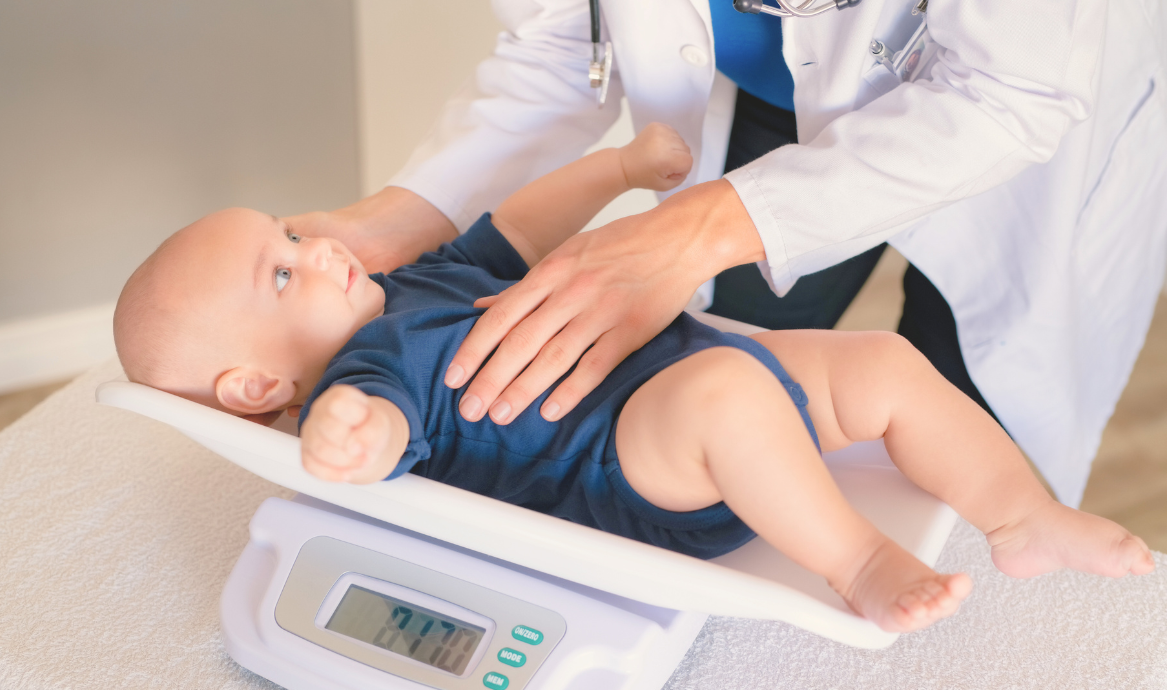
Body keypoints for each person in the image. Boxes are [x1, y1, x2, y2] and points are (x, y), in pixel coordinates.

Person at [113, 124, 1153, 635]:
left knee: (884, 360)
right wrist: (346, 429)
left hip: (682, 366)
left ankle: (1020, 513)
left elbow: (514, 229)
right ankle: (858, 562)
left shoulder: (410, 283)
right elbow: (379, 432)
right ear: (255, 388)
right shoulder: (369, 365)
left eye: (291, 229)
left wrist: (614, 171)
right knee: (729, 401)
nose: (319, 245)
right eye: (283, 270)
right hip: (631, 467)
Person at [286, 0, 1167, 510]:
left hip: (1024, 130)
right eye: (275, 262)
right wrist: (400, 216)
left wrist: (693, 223)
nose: (293, 257)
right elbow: (562, 43)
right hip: (764, 89)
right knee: (747, 398)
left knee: (973, 443)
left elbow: (1009, 95)